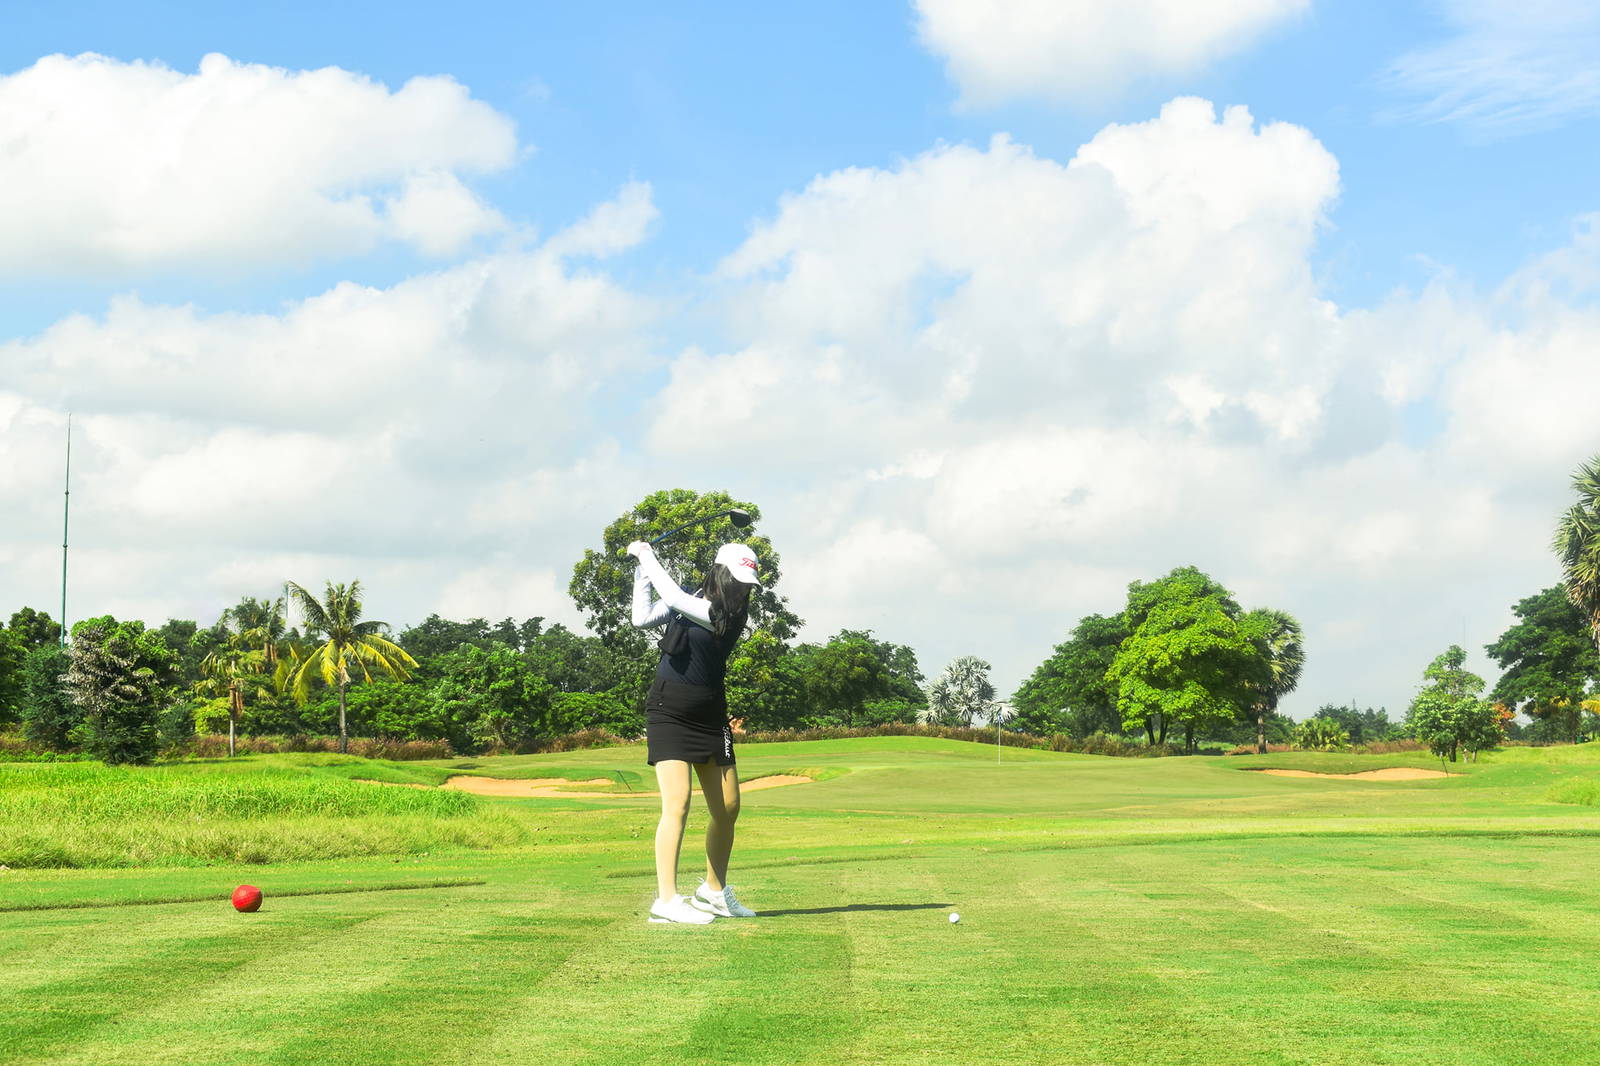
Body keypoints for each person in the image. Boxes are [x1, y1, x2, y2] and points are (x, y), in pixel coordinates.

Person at [627, 538, 762, 924]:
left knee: (729, 806)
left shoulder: (724, 614)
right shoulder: (691, 601)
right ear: (721, 574)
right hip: (669, 710)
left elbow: (671, 593)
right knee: (679, 803)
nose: (743, 591)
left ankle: (714, 892)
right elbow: (641, 617)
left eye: (748, 585)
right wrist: (641, 570)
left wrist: (646, 555)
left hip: (711, 716)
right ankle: (666, 900)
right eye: (738, 581)